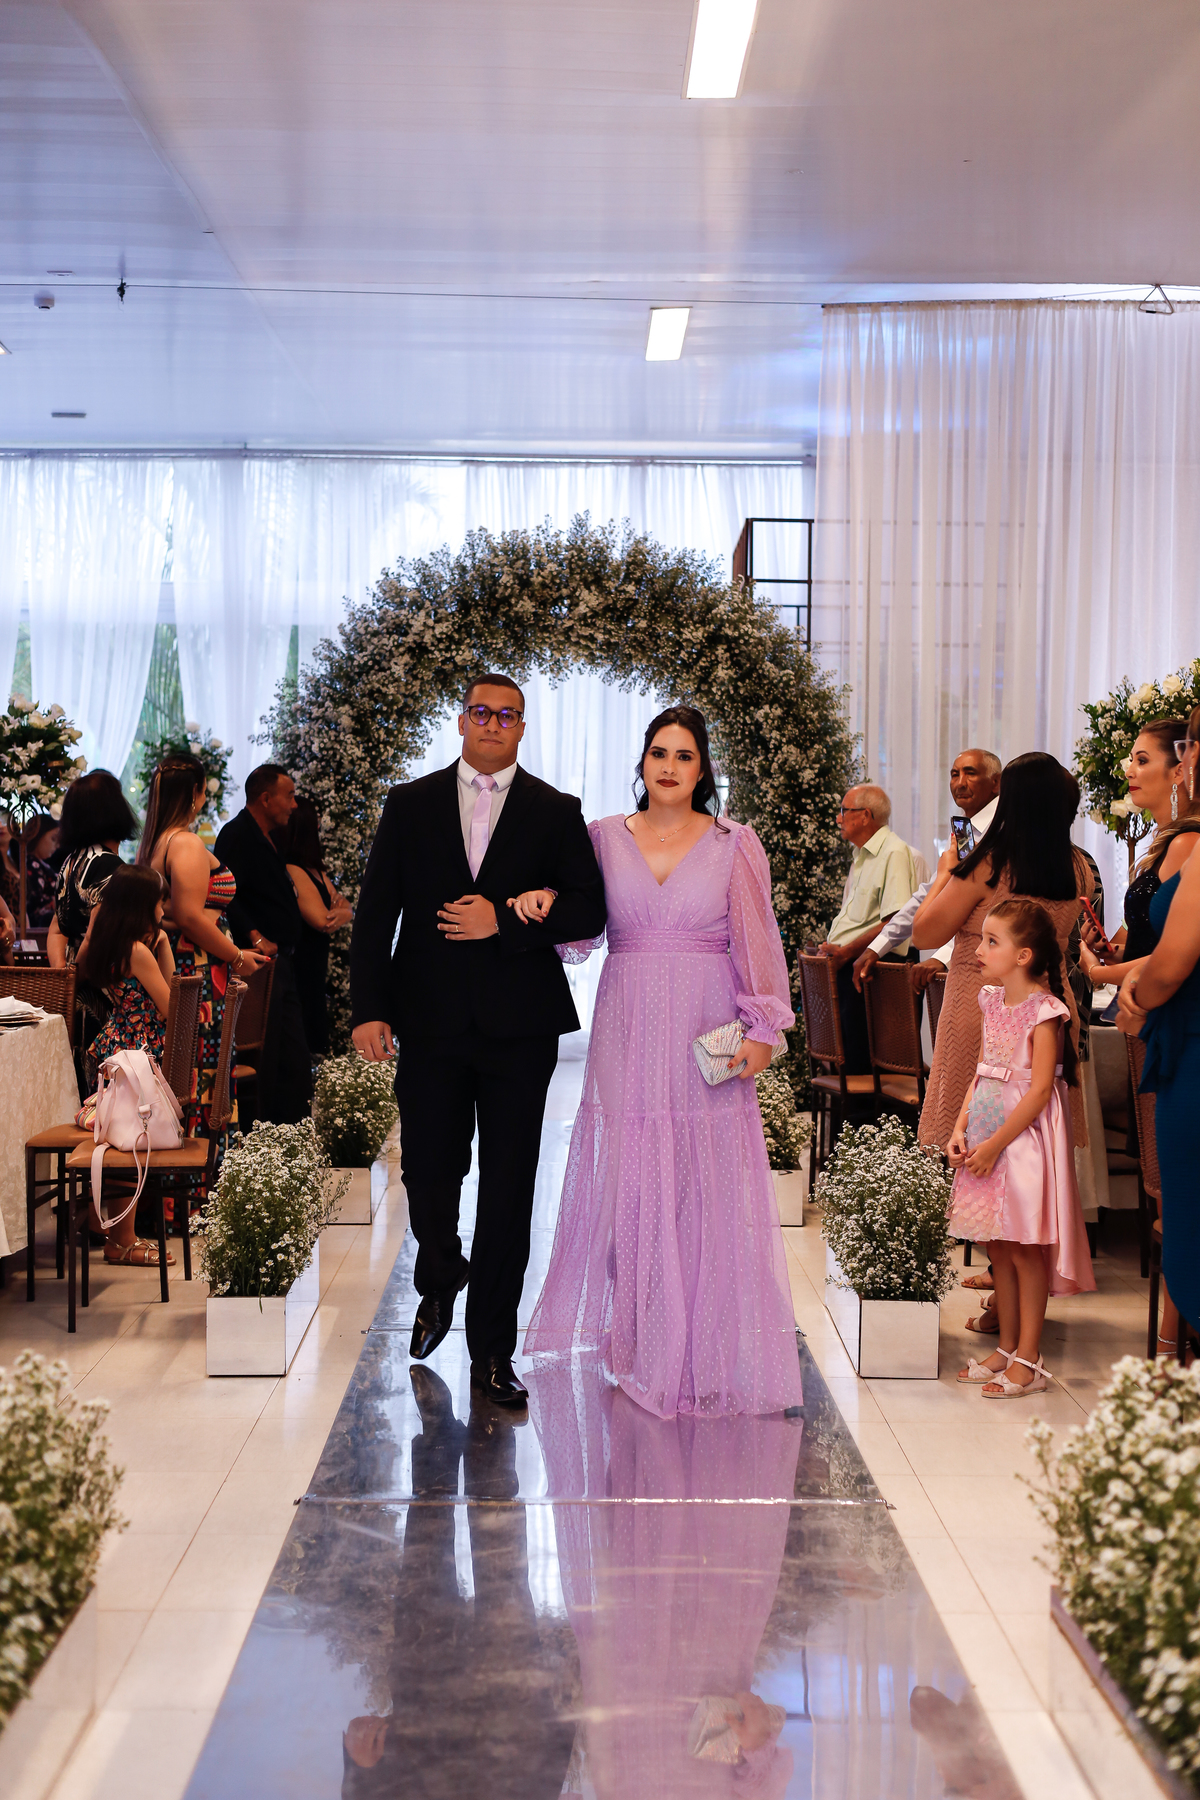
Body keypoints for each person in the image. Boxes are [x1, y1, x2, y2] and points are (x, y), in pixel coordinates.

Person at [522, 705, 802, 1419]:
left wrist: (763, 1026)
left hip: (707, 1021)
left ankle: (702, 1351)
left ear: (702, 769)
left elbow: (757, 939)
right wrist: (546, 900)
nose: (669, 767)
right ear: (642, 762)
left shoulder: (735, 843)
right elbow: (580, 932)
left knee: (701, 1188)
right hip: (628, 1022)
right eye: (658, 753)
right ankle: (641, 1343)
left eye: (684, 755)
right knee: (633, 1180)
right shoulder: (602, 837)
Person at [349, 674, 607, 1409]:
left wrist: (507, 918)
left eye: (508, 715)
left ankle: (494, 1349)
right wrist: (369, 1009)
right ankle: (440, 1273)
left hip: (519, 1028)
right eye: (481, 712)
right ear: (461, 721)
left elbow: (588, 909)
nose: (493, 723)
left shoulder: (555, 810)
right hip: (428, 1021)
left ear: (522, 727)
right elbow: (375, 914)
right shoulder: (409, 804)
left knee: (508, 1188)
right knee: (429, 1173)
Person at [340, 1366, 575, 1800]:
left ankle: (440, 1438)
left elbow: (360, 1746)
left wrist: (366, 1767)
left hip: (426, 1709)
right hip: (508, 1734)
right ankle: (490, 1439)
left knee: (424, 1578)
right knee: (502, 1579)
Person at [1079, 719, 1199, 1350]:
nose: (1129, 768)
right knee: (1176, 1196)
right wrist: (1117, 960)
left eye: (1143, 757)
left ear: (1183, 766)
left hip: (1178, 1021)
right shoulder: (1166, 841)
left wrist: (1116, 980)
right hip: (1165, 1015)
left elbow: (1172, 957)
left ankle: (1174, 1346)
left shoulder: (1190, 842)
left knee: (1182, 1196)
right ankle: (1171, 1345)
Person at [912, 753, 1093, 1167]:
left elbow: (923, 933)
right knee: (1034, 1143)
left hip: (983, 1005)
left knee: (969, 1140)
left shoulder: (990, 863)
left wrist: (945, 873)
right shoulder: (1077, 866)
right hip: (1047, 1005)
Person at [948, 897, 1095, 1396]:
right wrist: (961, 1128)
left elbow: (1039, 1090)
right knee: (999, 1247)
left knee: (1026, 1249)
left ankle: (1029, 1358)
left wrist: (994, 1145)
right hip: (985, 1136)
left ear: (1023, 956)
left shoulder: (1045, 1010)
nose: (979, 950)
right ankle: (1007, 1347)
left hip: (1020, 1143)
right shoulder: (991, 1000)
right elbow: (982, 1071)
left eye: (992, 941)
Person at [1118, 711, 1200, 1340]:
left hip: (1191, 1039)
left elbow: (1171, 961)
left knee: (1187, 1208)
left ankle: (1176, 1347)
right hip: (1182, 1031)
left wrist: (1135, 995)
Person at [139, 756, 269, 1147]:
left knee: (192, 1066)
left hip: (189, 963)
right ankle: (204, 1164)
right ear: (196, 793)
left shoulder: (157, 843)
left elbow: (176, 914)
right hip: (200, 969)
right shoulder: (184, 842)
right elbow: (190, 917)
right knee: (203, 1070)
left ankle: (192, 1165)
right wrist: (237, 956)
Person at [75, 865, 177, 1268]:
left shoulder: (108, 943)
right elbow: (170, 1006)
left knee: (122, 1136)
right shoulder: (138, 951)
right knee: (131, 1139)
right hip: (138, 1050)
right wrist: (163, 947)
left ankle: (116, 1232)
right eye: (159, 901)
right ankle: (122, 1239)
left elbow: (81, 963)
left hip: (116, 1042)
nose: (163, 908)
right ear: (142, 905)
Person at [853, 748, 1002, 994]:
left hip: (993, 972)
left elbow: (991, 907)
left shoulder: (1003, 827)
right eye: (954, 774)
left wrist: (943, 957)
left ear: (996, 782)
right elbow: (933, 890)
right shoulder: (966, 828)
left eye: (970, 773)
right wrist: (877, 947)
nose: (960, 783)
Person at [215, 764, 313, 1124]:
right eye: (289, 796)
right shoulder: (236, 834)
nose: (294, 804)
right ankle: (265, 1133)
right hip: (257, 963)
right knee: (269, 1054)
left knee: (293, 1056)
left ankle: (293, 1133)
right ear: (266, 798)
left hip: (282, 960)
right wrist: (255, 935)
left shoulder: (272, 837)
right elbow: (228, 895)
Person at [818, 784, 918, 1074]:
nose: (838, 818)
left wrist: (847, 950)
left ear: (865, 815)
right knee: (845, 1061)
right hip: (850, 963)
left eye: (844, 811)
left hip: (870, 969)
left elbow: (896, 920)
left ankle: (860, 1107)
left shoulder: (894, 852)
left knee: (860, 1065)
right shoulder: (862, 855)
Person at [48, 771, 139, 1054]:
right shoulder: (109, 866)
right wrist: (76, 979)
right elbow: (95, 938)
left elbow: (56, 929)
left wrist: (64, 977)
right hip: (103, 991)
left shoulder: (70, 862)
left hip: (77, 989)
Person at [277, 794, 353, 1057]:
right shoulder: (293, 868)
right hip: (303, 960)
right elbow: (323, 920)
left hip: (315, 961)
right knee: (307, 1024)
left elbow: (343, 905)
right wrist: (342, 912)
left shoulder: (314, 870)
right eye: (316, 819)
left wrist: (345, 911)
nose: (320, 825)